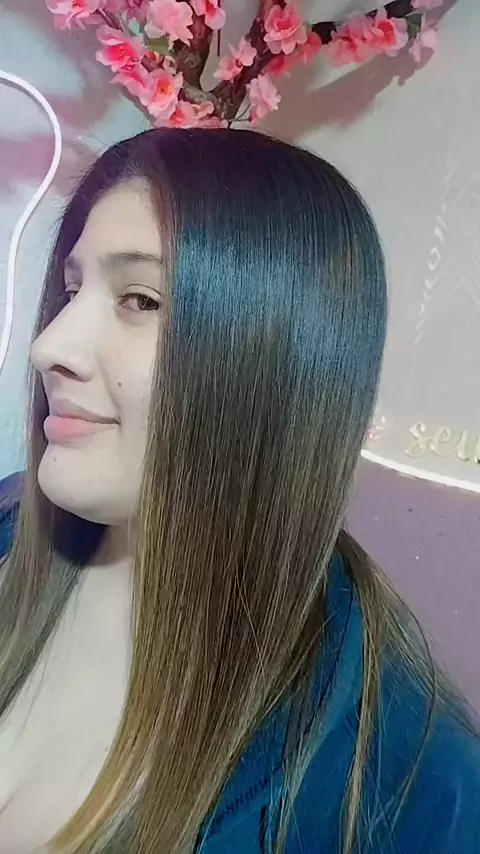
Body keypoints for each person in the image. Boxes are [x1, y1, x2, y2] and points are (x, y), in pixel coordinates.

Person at [0, 128, 478, 854]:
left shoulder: (408, 791)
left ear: (277, 356)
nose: (49, 347)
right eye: (71, 291)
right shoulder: (12, 526)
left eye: (139, 299)